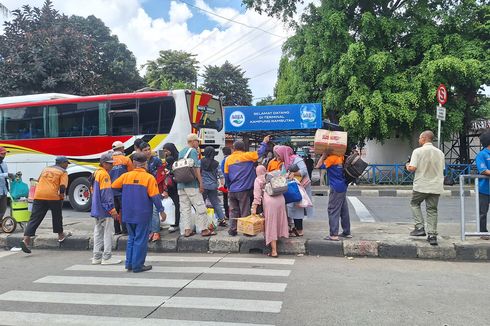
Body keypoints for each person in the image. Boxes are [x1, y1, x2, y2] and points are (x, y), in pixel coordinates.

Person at [112, 153, 166, 273]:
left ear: (134, 163)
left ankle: (129, 264)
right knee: (141, 239)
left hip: (128, 213)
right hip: (142, 213)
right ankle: (138, 265)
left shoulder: (126, 176)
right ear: (145, 164)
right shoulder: (149, 178)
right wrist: (161, 211)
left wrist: (125, 194)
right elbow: (155, 196)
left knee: (132, 238)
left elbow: (114, 186)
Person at [20, 157, 71, 254]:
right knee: (57, 216)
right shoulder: (63, 172)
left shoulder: (46, 169)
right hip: (53, 196)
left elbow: (39, 181)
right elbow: (62, 186)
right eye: (66, 163)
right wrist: (61, 196)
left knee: (35, 218)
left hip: (39, 195)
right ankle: (60, 235)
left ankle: (26, 240)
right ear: (62, 163)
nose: (67, 165)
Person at [406, 130, 445, 246]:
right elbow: (442, 169)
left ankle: (419, 227)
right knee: (432, 210)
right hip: (436, 185)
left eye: (419, 138)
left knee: (414, 204)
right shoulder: (440, 153)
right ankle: (432, 235)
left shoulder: (417, 151)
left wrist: (407, 165)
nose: (419, 140)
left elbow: (412, 168)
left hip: (421, 185)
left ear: (424, 138)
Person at [224, 137, 268, 236]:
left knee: (233, 210)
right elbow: (260, 152)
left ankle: (232, 229)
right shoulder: (247, 156)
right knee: (244, 210)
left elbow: (226, 175)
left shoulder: (228, 159)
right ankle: (246, 231)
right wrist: (264, 142)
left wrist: (229, 187)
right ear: (243, 148)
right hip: (243, 189)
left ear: (234, 148)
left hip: (232, 189)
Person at [177, 133, 216, 237]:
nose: (198, 143)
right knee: (200, 206)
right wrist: (201, 183)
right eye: (197, 141)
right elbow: (196, 169)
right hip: (192, 185)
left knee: (185, 209)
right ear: (193, 141)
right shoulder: (193, 151)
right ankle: (204, 229)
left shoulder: (181, 151)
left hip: (181, 185)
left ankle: (187, 230)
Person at [274, 145, 313, 237]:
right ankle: (294, 228)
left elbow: (304, 171)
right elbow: (283, 174)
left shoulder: (297, 159)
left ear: (284, 153)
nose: (278, 157)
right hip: (292, 187)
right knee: (291, 207)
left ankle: (299, 230)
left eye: (279, 155)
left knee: (297, 207)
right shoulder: (285, 163)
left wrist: (293, 173)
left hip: (301, 187)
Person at [90, 153, 121, 265]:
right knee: (108, 232)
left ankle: (96, 256)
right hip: (105, 209)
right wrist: (112, 209)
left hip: (96, 208)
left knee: (98, 232)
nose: (112, 166)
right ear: (103, 164)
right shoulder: (104, 175)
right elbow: (106, 193)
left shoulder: (96, 173)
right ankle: (107, 257)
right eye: (109, 164)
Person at [251, 165, 289, 258]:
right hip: (280, 199)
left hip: (270, 202)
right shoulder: (272, 175)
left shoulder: (258, 179)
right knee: (279, 221)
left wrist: (254, 208)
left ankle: (274, 251)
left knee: (271, 224)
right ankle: (278, 237)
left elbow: (257, 195)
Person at [317, 153, 351, 241]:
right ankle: (346, 232)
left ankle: (334, 234)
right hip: (343, 185)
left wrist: (324, 155)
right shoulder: (341, 156)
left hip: (335, 187)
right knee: (344, 210)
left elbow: (318, 165)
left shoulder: (331, 158)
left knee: (333, 210)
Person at [139, 142, 164, 242]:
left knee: (154, 210)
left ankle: (156, 232)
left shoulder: (156, 160)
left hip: (155, 187)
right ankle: (150, 231)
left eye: (149, 149)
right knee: (147, 210)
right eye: (145, 150)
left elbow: (162, 175)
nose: (148, 151)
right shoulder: (139, 162)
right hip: (143, 189)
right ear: (141, 151)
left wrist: (164, 189)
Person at [110, 140, 133, 235]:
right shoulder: (126, 159)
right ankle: (125, 230)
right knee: (123, 210)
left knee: (115, 210)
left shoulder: (109, 160)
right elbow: (131, 173)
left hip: (111, 189)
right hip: (123, 189)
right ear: (122, 148)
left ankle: (117, 230)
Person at [201, 146, 227, 227]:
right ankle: (222, 219)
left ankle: (202, 221)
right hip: (213, 186)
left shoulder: (200, 162)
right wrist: (222, 184)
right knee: (215, 203)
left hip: (203, 186)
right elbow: (221, 175)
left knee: (201, 203)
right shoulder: (216, 164)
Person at [162, 143, 181, 233]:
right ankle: (175, 222)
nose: (166, 153)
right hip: (170, 186)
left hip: (177, 185)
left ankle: (176, 223)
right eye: (164, 151)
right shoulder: (168, 159)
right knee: (175, 204)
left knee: (178, 204)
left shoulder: (178, 158)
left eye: (167, 150)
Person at [476, 130, 490, 240]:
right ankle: (483, 232)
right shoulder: (482, 154)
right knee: (483, 213)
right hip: (484, 189)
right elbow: (483, 170)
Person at [0, 147, 14, 220]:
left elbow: (6, 175)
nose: (4, 155)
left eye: (5, 153)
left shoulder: (4, 164)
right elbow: (5, 174)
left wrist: (12, 176)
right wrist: (6, 174)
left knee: (3, 208)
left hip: (4, 190)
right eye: (2, 154)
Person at [220, 147, 232, 219]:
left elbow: (223, 172)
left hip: (226, 182)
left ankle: (227, 214)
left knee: (226, 199)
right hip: (234, 182)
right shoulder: (233, 158)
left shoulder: (224, 160)